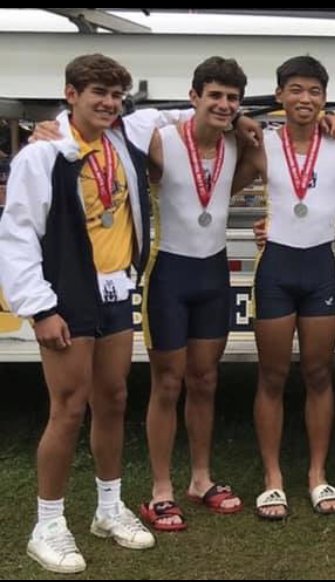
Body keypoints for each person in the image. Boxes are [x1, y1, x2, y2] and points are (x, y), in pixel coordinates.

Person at [0, 53, 159, 574]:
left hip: (116, 292)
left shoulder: (122, 140)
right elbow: (17, 234)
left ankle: (108, 510)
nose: (109, 104)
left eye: (116, 96)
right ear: (71, 95)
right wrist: (39, 307)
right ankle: (47, 524)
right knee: (68, 407)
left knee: (113, 399)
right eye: (98, 94)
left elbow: (184, 113)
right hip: (66, 294)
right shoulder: (41, 156)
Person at [234, 56, 335, 520]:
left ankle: (317, 474)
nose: (306, 100)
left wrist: (333, 218)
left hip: (319, 267)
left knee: (319, 374)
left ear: (325, 98)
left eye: (314, 92)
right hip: (277, 269)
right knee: (271, 375)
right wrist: (243, 118)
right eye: (296, 90)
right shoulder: (261, 143)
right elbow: (222, 180)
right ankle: (273, 479)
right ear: (281, 95)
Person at [136, 57, 248, 531]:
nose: (224, 105)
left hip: (212, 273)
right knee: (168, 383)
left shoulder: (237, 145)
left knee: (205, 380)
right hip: (170, 275)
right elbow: (117, 127)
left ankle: (200, 479)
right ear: (194, 96)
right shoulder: (161, 142)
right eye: (215, 95)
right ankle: (161, 490)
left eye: (232, 98)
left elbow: (239, 181)